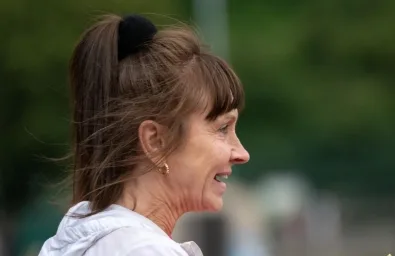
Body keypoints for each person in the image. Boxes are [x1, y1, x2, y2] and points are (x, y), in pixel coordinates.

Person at [38, 13, 250, 256]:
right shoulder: (144, 250)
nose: (241, 154)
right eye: (222, 128)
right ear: (155, 141)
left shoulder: (84, 242)